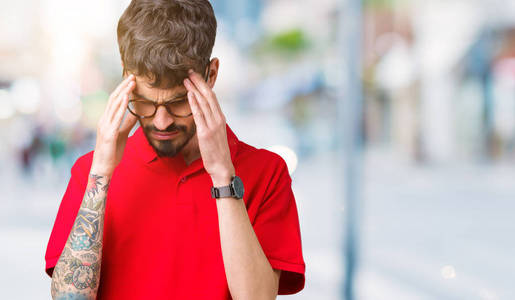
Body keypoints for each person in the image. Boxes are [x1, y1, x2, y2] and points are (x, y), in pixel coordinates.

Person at [45, 0, 305, 299]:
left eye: (178, 101)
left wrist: (222, 176)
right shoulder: (90, 172)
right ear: (126, 77)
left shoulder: (267, 172)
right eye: (145, 101)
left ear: (211, 75)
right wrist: (101, 175)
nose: (162, 120)